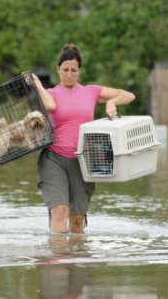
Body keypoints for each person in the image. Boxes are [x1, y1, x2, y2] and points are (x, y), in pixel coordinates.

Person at [29, 44, 135, 234]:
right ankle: (59, 260)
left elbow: (128, 95)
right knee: (60, 211)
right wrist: (36, 82)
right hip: (53, 158)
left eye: (73, 70)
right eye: (65, 70)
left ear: (80, 71)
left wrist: (112, 101)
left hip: (83, 161)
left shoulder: (91, 92)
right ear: (57, 69)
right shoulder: (50, 94)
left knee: (77, 219)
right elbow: (49, 106)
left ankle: (76, 261)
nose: (69, 74)